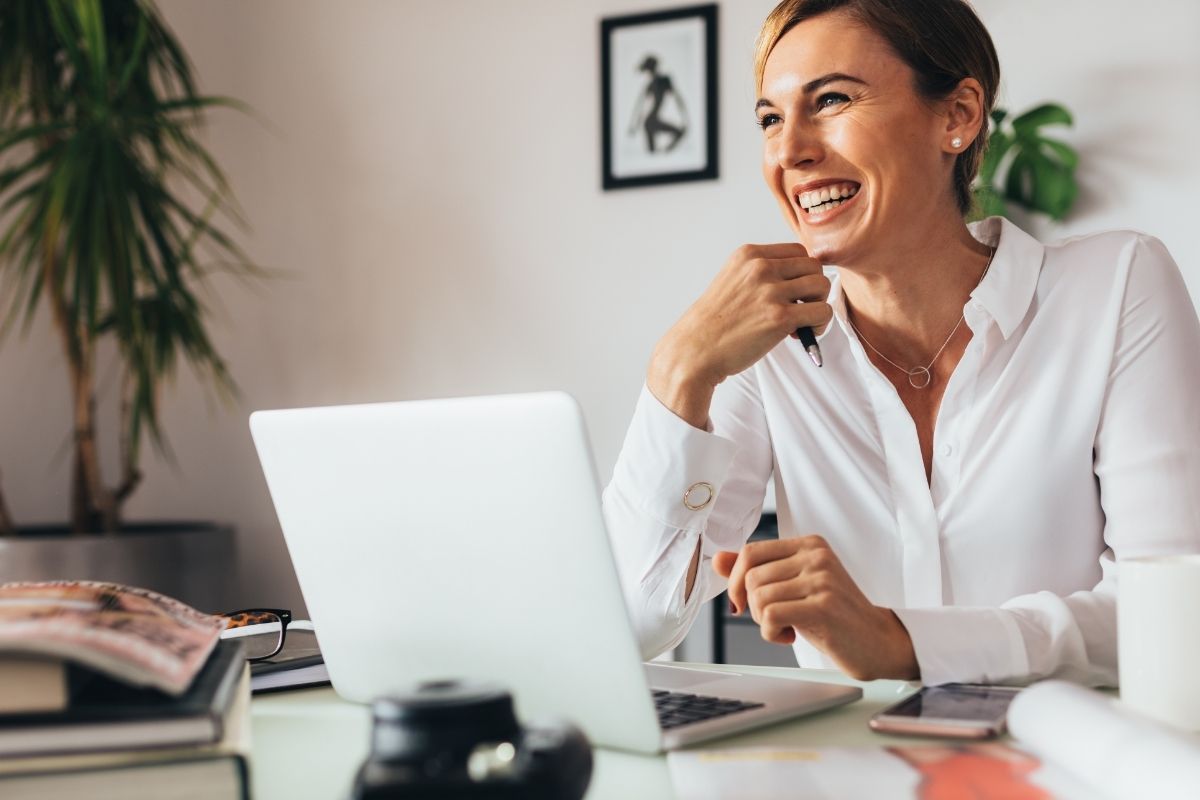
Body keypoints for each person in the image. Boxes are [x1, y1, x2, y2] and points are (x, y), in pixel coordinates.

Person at [602, 0, 1200, 687]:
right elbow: (633, 624)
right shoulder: (764, 348)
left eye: (830, 100)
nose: (789, 150)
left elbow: (1174, 615)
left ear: (958, 116)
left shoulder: (1117, 286)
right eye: (770, 118)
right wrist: (679, 370)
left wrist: (903, 643)